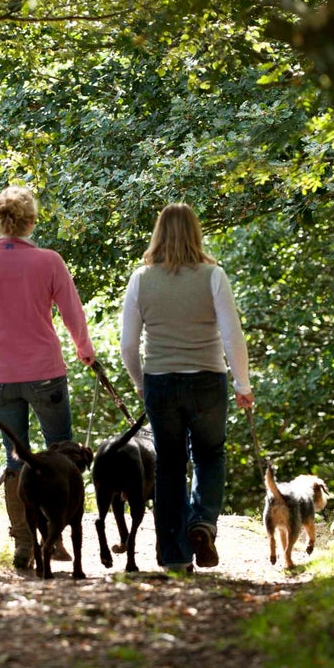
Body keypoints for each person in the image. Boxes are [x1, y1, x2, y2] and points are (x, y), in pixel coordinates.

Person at [0, 185, 95, 570]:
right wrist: (84, 349)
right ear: (31, 222)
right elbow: (72, 312)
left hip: (0, 377)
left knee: (16, 459)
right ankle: (56, 538)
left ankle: (23, 543)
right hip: (46, 373)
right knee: (61, 451)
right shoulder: (50, 261)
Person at [119, 202, 253, 572]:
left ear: (158, 234)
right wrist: (242, 383)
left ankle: (175, 556)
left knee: (169, 467)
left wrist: (141, 383)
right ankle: (202, 523)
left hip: (160, 381)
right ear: (196, 233)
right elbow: (232, 335)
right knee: (210, 456)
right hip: (208, 379)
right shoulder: (213, 275)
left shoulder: (141, 279)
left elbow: (128, 345)